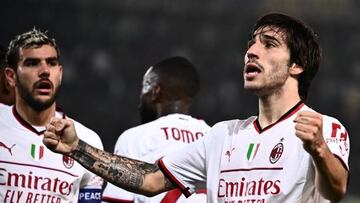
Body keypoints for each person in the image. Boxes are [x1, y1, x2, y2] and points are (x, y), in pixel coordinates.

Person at [43, 13, 350, 203]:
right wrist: (77, 148)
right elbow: (150, 180)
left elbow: (336, 191)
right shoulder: (222, 136)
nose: (251, 52)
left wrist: (320, 149)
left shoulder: (324, 127)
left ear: (296, 65)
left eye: (268, 44)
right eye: (251, 44)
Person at [0, 29, 104, 203]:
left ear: (60, 73)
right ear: (11, 77)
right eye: (32, 63)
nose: (45, 71)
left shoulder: (88, 141)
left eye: (51, 63)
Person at [102, 56, 210, 202]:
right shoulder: (216, 138)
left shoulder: (135, 138)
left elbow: (118, 200)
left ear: (155, 90)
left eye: (144, 87)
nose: (140, 99)